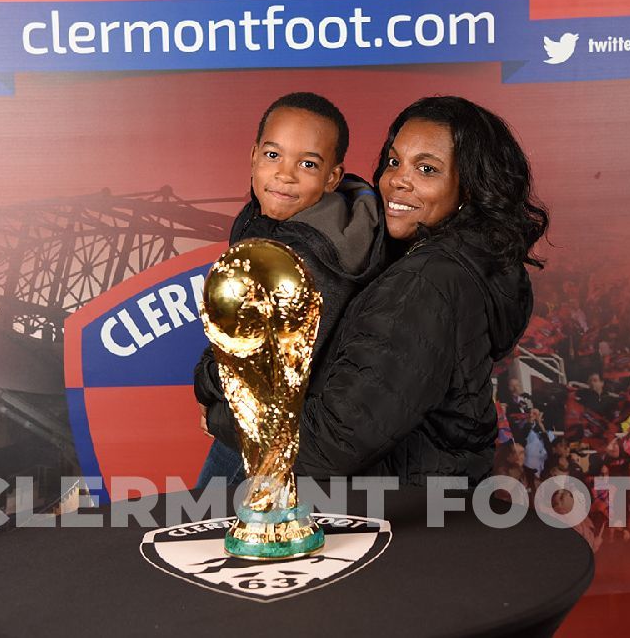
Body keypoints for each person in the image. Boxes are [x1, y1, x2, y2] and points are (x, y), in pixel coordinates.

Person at [206, 95, 548, 485]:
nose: (397, 180)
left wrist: (218, 412)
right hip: (406, 497)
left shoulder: (426, 282)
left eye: (426, 168)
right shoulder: (449, 263)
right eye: (393, 161)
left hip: (385, 512)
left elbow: (333, 443)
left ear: (468, 188)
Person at [193, 91, 387, 487]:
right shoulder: (262, 219)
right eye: (273, 155)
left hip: (281, 434)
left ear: (332, 177)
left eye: (308, 163)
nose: (285, 174)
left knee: (209, 525)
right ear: (253, 156)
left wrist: (209, 391)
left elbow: (265, 369)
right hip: (253, 419)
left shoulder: (311, 257)